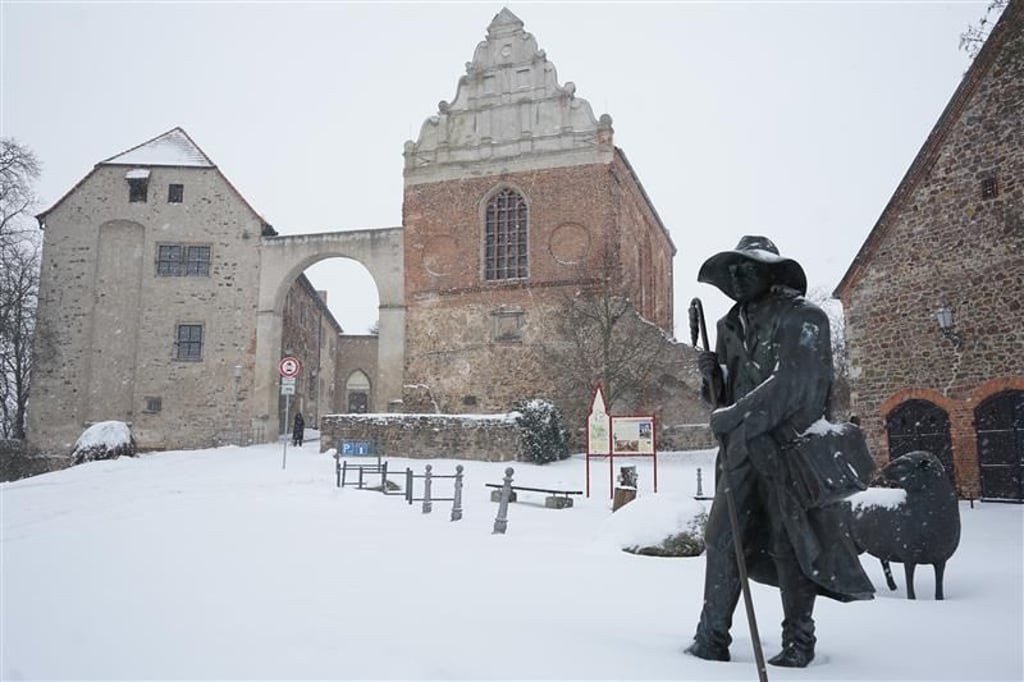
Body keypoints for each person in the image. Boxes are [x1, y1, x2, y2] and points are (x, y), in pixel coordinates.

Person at [685, 236, 874, 668]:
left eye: (747, 267)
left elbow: (794, 382)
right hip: (739, 453)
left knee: (790, 543)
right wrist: (712, 379)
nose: (737, 276)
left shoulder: (805, 318)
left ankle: (798, 641)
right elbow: (723, 398)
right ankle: (711, 637)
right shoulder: (728, 325)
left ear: (771, 271)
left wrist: (735, 413)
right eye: (733, 269)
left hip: (789, 450)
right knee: (722, 540)